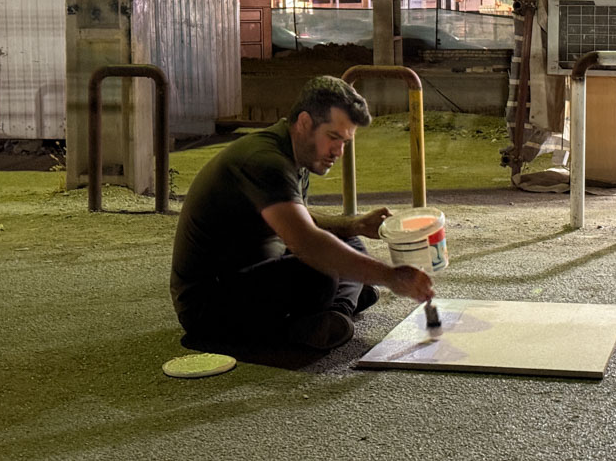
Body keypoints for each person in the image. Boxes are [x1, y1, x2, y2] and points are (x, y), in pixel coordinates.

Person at [170, 75, 434, 350]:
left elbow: (299, 218)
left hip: (258, 268)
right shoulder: (265, 161)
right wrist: (391, 276)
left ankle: (335, 313)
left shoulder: (296, 153)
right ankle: (313, 318)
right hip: (207, 304)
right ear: (305, 123)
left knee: (347, 242)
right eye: (333, 137)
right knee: (321, 270)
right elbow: (306, 242)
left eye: (345, 141)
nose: (339, 151)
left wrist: (355, 225)